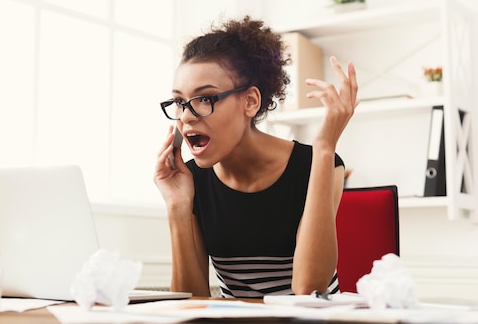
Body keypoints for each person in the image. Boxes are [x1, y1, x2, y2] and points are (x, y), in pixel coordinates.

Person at [153, 16, 358, 298]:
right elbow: (190, 304)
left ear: (250, 101)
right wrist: (178, 208)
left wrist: (324, 148)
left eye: (205, 99)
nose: (186, 116)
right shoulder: (192, 180)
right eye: (179, 102)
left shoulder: (316, 164)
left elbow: (309, 291)